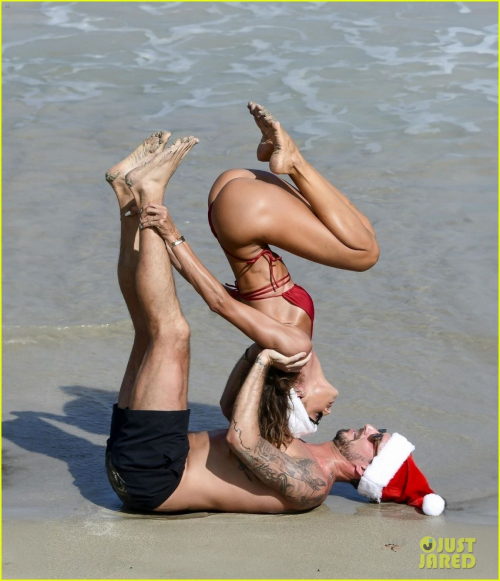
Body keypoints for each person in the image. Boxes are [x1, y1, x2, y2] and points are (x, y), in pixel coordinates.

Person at [104, 137, 445, 516]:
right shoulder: (295, 440)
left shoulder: (313, 485)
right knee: (147, 333)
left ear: (366, 469)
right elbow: (229, 407)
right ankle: (127, 195)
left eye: (376, 440)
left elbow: (240, 438)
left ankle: (150, 192)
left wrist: (266, 360)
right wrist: (257, 353)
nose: (368, 427)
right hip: (142, 460)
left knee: (172, 334)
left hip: (153, 477)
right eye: (378, 430)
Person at [137, 102, 379, 439]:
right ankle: (288, 157)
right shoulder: (275, 347)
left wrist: (171, 233)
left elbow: (220, 303)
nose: (327, 412)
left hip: (247, 216)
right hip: (238, 209)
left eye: (315, 416)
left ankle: (293, 161)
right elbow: (226, 406)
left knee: (366, 254)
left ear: (298, 395)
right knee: (360, 230)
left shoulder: (292, 349)